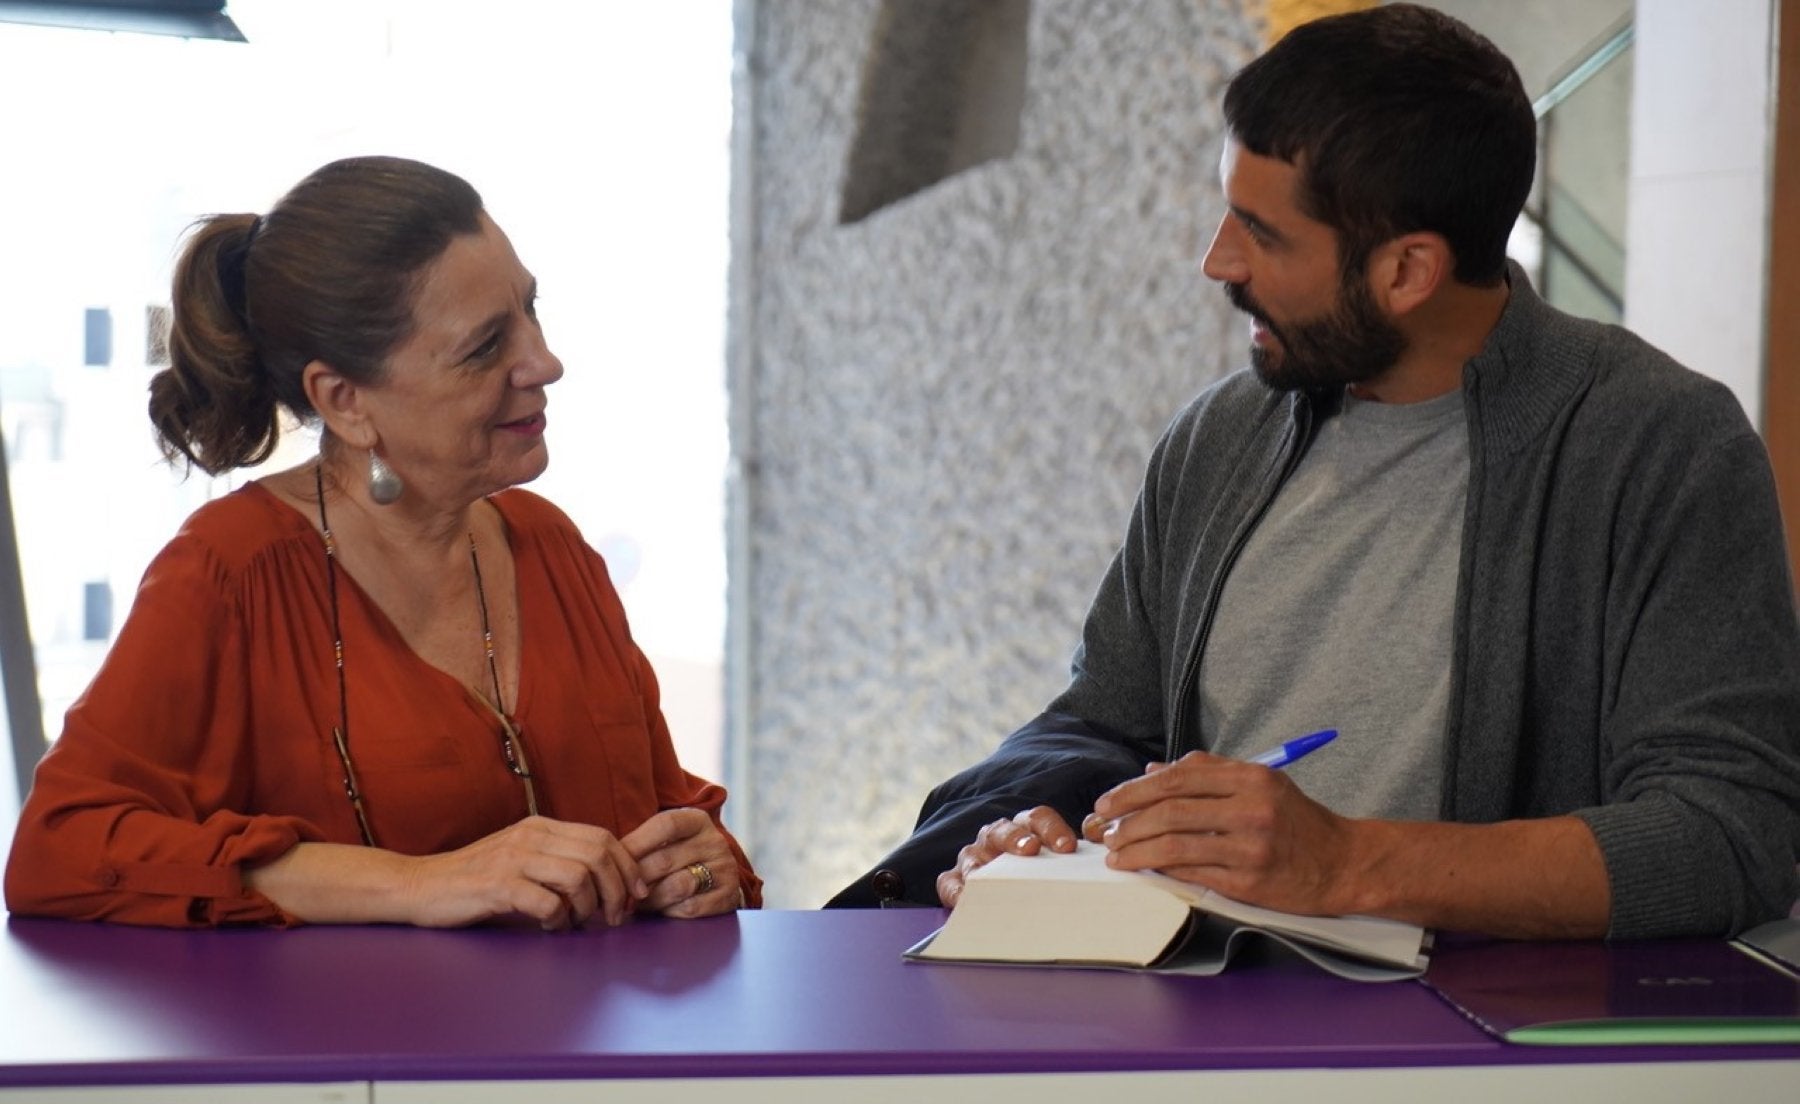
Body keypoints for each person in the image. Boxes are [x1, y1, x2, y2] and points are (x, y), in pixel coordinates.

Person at [828, 4, 1800, 939]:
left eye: (1264, 233)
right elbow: (1101, 717)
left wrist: (1344, 862)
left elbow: (1730, 831)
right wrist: (1033, 814)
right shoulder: (1219, 437)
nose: (1218, 261)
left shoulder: (1657, 445)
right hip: (1194, 1027)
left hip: (1497, 1074)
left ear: (1408, 271)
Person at [3, 156, 760, 929]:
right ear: (345, 401)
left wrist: (699, 863)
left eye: (531, 311)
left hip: (592, 1049)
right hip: (355, 1052)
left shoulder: (554, 548)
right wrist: (421, 884)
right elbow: (59, 849)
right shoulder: (230, 573)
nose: (544, 362)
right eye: (484, 346)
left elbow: (675, 813)